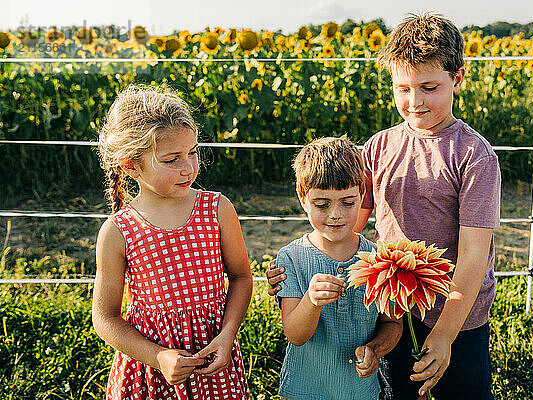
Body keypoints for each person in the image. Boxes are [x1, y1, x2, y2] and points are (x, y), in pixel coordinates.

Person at [268, 13, 501, 400]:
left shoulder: (475, 156)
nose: (415, 101)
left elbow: (474, 257)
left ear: (457, 79)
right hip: (391, 310)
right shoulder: (378, 147)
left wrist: (443, 336)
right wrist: (296, 266)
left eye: (429, 87)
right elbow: (344, 228)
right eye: (403, 89)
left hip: (457, 319)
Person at [92, 85, 252, 399]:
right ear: (130, 165)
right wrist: (159, 356)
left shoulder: (217, 209)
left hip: (214, 365)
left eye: (192, 152)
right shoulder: (118, 231)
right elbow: (105, 317)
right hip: (149, 375)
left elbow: (242, 277)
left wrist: (227, 335)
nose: (189, 167)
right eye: (171, 159)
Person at [275, 136, 403, 400]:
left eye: (348, 202)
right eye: (322, 204)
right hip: (304, 390)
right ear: (303, 198)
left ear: (362, 195)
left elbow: (393, 324)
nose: (336, 214)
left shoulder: (380, 259)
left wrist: (374, 350)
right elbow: (295, 335)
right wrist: (311, 300)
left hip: (361, 391)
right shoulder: (291, 258)